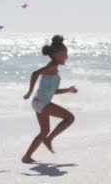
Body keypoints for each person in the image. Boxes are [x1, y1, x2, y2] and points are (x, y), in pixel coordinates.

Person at [22, 35, 77, 163]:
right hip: (42, 103)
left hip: (39, 102)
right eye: (64, 54)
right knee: (69, 118)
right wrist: (29, 91)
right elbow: (35, 73)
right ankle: (49, 139)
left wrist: (68, 90)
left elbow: (53, 91)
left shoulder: (54, 68)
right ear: (56, 54)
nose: (67, 56)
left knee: (44, 130)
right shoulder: (51, 66)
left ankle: (27, 156)